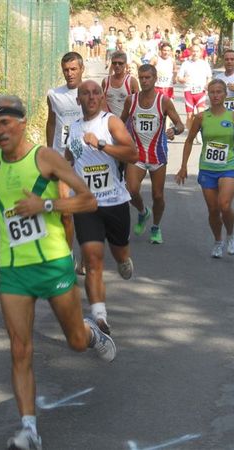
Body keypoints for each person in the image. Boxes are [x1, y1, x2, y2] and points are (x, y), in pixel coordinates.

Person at [0, 95, 116, 450]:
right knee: (19, 349)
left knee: (74, 342)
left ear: (22, 123)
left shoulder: (44, 157)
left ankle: (90, 334)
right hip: (13, 270)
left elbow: (88, 200)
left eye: (6, 123)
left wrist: (44, 204)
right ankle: (29, 430)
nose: (0, 131)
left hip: (53, 263)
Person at [67, 80, 138, 335]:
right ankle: (99, 317)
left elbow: (132, 155)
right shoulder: (73, 129)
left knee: (119, 256)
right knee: (93, 260)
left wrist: (101, 145)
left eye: (96, 92)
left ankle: (123, 259)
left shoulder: (110, 123)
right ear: (79, 100)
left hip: (115, 202)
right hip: (87, 205)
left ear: (102, 98)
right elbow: (69, 160)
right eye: (85, 93)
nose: (91, 97)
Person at [176, 79, 234, 257]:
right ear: (208, 95)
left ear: (225, 95)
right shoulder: (201, 117)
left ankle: (231, 236)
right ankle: (218, 241)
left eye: (219, 91)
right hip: (207, 168)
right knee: (213, 210)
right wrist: (183, 166)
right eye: (212, 92)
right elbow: (189, 141)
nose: (216, 95)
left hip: (228, 166)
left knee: (224, 205)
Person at [120, 64, 185, 244]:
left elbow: (180, 124)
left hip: (157, 155)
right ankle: (143, 212)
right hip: (137, 154)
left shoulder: (163, 101)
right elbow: (119, 123)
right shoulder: (131, 101)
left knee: (158, 195)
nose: (144, 81)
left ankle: (156, 227)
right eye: (141, 78)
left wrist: (175, 131)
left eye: (148, 77)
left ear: (155, 79)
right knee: (131, 190)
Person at [46, 51, 85, 272]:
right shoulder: (54, 94)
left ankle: (86, 257)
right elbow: (51, 123)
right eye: (66, 70)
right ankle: (68, 256)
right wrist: (49, 152)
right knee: (66, 213)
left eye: (73, 69)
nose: (69, 74)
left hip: (86, 160)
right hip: (63, 160)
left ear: (81, 69)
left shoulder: (90, 91)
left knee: (88, 215)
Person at [176, 44, 213, 132]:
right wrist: (183, 79)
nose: (195, 53)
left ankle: (200, 132)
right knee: (190, 115)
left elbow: (209, 77)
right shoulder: (185, 64)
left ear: (200, 53)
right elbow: (179, 78)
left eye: (197, 51)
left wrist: (208, 84)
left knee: (200, 113)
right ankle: (190, 134)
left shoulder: (204, 64)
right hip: (188, 91)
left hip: (201, 91)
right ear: (190, 52)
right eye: (193, 51)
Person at [102, 51, 140, 118]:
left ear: (125, 64)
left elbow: (138, 103)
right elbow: (101, 101)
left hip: (126, 122)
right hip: (110, 122)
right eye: (114, 63)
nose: (117, 65)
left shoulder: (132, 81)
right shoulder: (105, 81)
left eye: (120, 63)